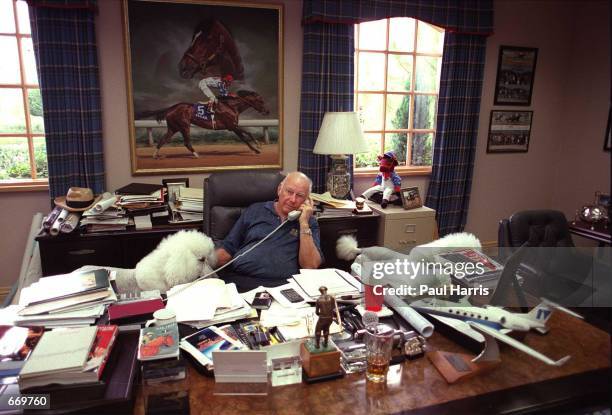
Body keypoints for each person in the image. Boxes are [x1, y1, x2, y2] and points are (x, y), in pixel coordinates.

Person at [214, 172, 323, 291]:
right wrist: (202, 262)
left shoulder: (308, 223)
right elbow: (229, 248)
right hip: (240, 281)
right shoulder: (255, 210)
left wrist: (303, 223)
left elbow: (310, 266)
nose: (293, 199)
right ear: (279, 189)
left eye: (300, 195)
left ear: (307, 200)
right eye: (289, 192)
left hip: (284, 286)